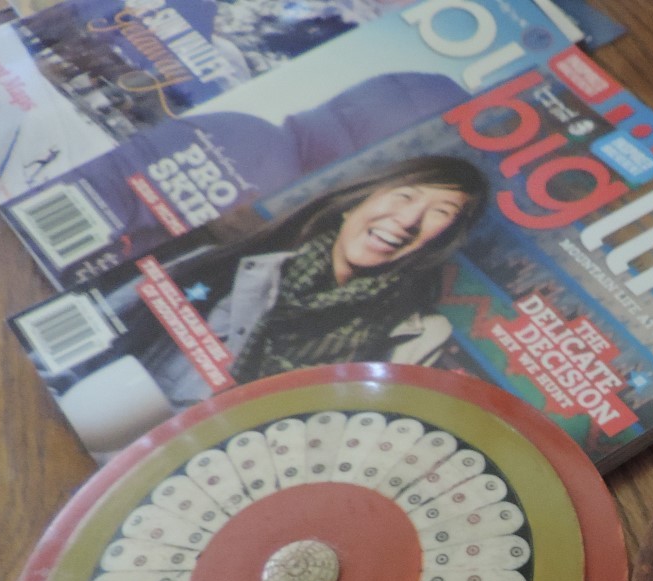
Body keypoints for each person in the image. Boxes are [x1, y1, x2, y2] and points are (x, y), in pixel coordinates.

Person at [55, 154, 489, 456]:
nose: (409, 219)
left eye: (441, 212)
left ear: (443, 241)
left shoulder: (415, 336)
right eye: (406, 195)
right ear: (356, 203)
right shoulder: (230, 261)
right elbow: (87, 331)